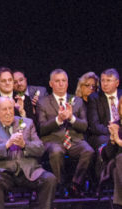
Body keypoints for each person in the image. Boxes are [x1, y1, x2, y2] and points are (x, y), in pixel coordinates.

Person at [0, 97, 57, 209]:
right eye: (4, 109)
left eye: (10, 108)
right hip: (3, 172)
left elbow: (40, 148)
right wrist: (7, 144)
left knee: (49, 179)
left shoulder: (27, 123)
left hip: (29, 171)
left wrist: (24, 145)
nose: (8, 112)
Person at [37, 69, 93, 197]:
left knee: (88, 151)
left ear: (67, 83)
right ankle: (60, 185)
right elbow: (41, 128)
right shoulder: (43, 102)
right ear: (51, 84)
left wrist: (71, 118)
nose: (61, 84)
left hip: (75, 140)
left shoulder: (77, 101)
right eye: (57, 81)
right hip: (53, 140)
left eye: (64, 81)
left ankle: (75, 184)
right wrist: (58, 119)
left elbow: (84, 126)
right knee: (56, 152)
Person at [87, 68, 121, 149]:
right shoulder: (94, 98)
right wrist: (112, 131)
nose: (105, 84)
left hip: (121, 131)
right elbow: (94, 125)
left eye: (108, 80)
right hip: (104, 134)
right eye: (102, 80)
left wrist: (119, 131)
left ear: (117, 83)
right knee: (104, 141)